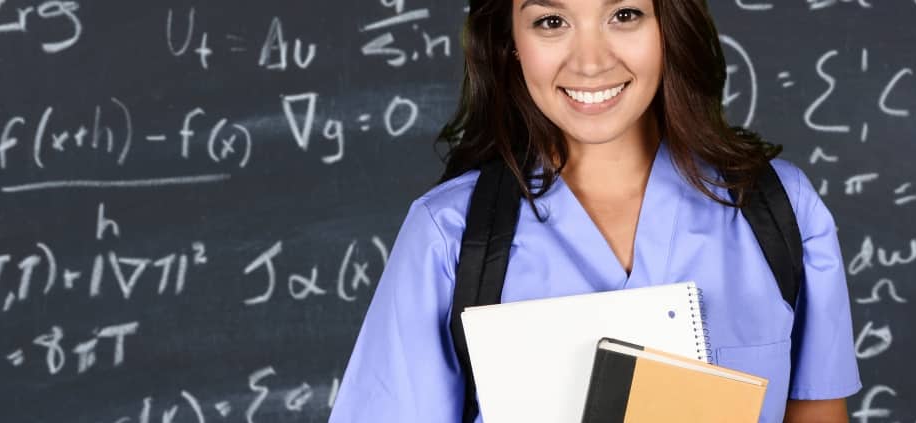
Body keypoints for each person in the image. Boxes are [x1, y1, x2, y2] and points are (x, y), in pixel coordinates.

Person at [329, 0, 862, 421]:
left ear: (669, 25)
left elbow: (816, 412)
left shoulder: (779, 209)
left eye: (624, 14)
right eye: (551, 20)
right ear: (510, 40)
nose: (590, 62)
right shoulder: (449, 235)